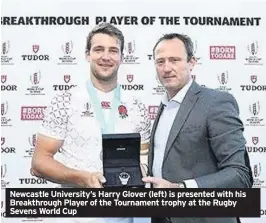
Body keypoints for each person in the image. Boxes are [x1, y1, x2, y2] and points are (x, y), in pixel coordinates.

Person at [31, 22, 151, 223]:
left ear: (122, 57)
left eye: (113, 50)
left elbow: (145, 159)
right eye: (98, 49)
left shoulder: (137, 106)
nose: (106, 56)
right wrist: (82, 178)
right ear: (87, 54)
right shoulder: (65, 101)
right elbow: (39, 162)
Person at [142, 33, 253, 223]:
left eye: (174, 60)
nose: (166, 68)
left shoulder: (215, 103)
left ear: (191, 62)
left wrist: (180, 189)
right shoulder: (163, 107)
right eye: (160, 61)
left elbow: (239, 175)